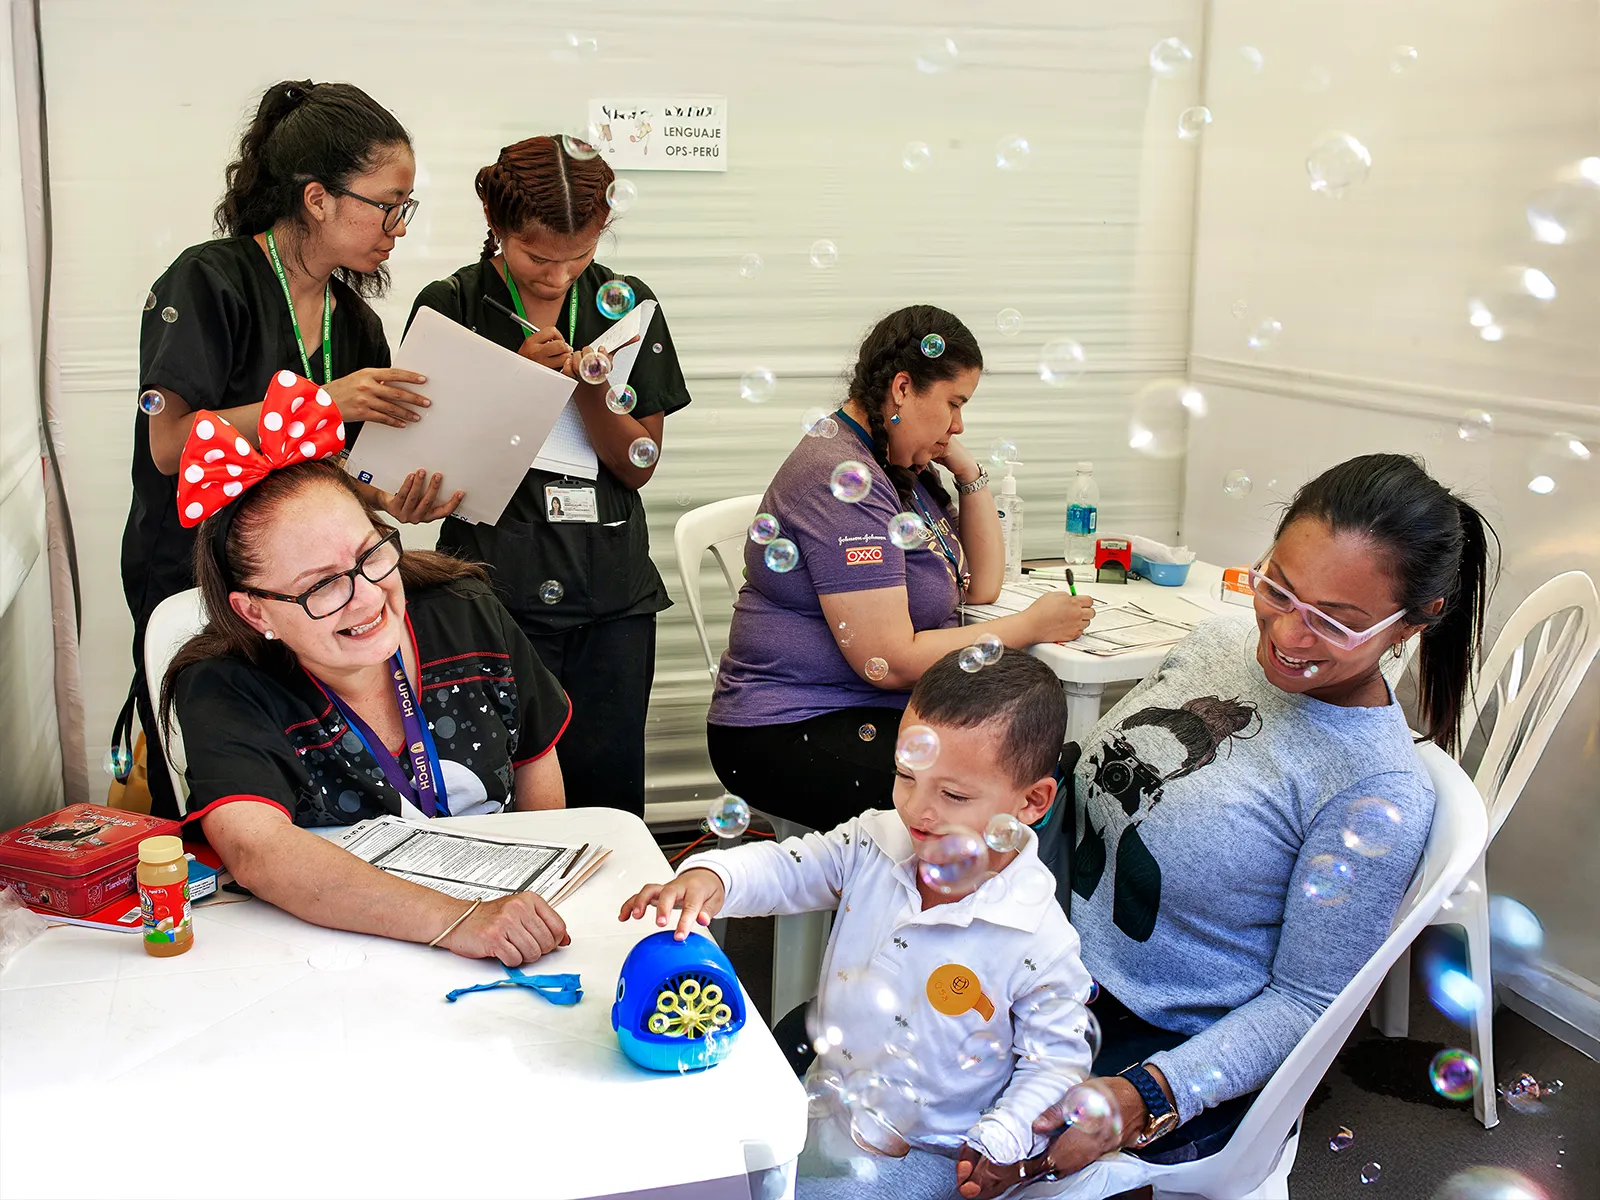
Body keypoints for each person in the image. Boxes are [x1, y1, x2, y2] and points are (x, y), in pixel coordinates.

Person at [955, 453, 1497, 1198]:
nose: (1290, 634)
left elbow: (1307, 1006)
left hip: (1164, 1043)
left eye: (1336, 622)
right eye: (1278, 587)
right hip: (1047, 969)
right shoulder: (1215, 644)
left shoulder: (1371, 791)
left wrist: (1138, 1098)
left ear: (1416, 620)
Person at [623, 650, 1094, 1199]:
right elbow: (790, 867)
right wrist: (714, 876)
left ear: (1033, 801)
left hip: (933, 1153)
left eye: (954, 795)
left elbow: (1057, 1062)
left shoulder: (1036, 934)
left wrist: (1005, 1134)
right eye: (905, 776)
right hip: (826, 1106)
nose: (917, 810)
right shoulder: (876, 840)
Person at [119, 78, 460, 819]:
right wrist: (324, 401)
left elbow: (331, 473)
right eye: (386, 202)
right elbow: (172, 445)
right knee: (224, 773)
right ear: (316, 198)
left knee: (312, 773)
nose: (398, 224)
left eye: (406, 207)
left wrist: (384, 497)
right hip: (199, 572)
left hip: (312, 586)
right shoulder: (211, 281)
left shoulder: (354, 321)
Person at [159, 376, 571, 965]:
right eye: (322, 586)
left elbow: (535, 766)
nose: (365, 598)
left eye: (370, 555)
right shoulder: (227, 685)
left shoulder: (467, 615)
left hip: (502, 935)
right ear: (254, 611)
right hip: (329, 955)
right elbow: (258, 850)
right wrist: (459, 922)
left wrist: (535, 904)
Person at [707, 306, 1096, 832]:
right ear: (903, 388)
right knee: (1000, 795)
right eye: (954, 404)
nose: (958, 424)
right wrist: (1029, 628)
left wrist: (968, 471)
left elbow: (981, 585)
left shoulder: (894, 464)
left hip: (866, 712)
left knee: (1028, 778)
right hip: (791, 729)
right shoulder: (840, 479)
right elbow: (886, 662)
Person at [407, 135, 692, 817]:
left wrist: (589, 386)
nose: (559, 276)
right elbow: (431, 467)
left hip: (611, 594)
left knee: (607, 793)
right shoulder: (453, 304)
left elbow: (637, 465)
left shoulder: (627, 306)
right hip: (489, 589)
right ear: (492, 220)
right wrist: (522, 385)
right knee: (492, 791)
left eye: (582, 256)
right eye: (537, 256)